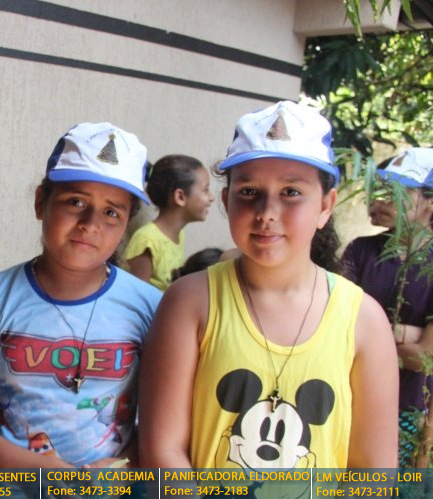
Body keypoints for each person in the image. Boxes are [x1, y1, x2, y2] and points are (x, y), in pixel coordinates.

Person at [139, 101, 398, 473]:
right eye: (249, 192)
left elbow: (373, 474)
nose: (266, 213)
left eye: (291, 192)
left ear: (326, 206)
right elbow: (163, 450)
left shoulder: (363, 320)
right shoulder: (190, 302)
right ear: (226, 200)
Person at [0, 122, 162, 469]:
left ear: (126, 223)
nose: (90, 223)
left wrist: (125, 466)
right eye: (76, 202)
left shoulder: (151, 307)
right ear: (41, 202)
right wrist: (29, 468)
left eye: (111, 212)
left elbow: (167, 426)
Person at [342, 147, 433, 467]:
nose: (381, 200)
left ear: (429, 202)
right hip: (349, 400)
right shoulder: (360, 250)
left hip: (411, 411)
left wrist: (369, 338)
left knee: (398, 492)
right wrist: (407, 332)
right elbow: (338, 330)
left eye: (396, 192)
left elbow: (425, 358)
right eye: (379, 190)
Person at [122, 155, 214, 290]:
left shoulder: (179, 235)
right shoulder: (147, 240)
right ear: (180, 197)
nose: (211, 197)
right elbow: (134, 296)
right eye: (206, 189)